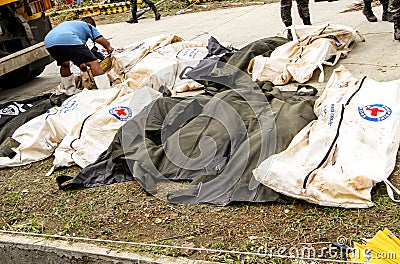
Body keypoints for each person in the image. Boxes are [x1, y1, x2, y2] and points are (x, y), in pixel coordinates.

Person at [44, 17, 114, 94]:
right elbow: (99, 39)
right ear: (92, 24)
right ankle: (105, 91)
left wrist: (80, 64)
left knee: (64, 64)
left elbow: (73, 53)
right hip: (68, 38)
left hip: (49, 42)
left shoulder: (72, 26)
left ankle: (70, 91)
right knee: (93, 62)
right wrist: (109, 47)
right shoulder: (88, 26)